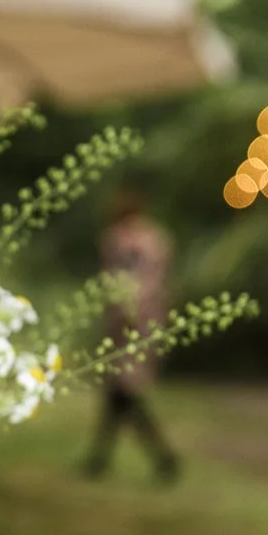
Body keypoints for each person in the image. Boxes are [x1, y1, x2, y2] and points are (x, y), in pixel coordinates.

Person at [83, 188, 180, 483]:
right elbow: (110, 278)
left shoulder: (154, 240)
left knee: (125, 390)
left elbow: (155, 280)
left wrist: (134, 305)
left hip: (142, 324)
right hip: (121, 325)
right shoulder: (116, 239)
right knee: (120, 393)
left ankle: (160, 458)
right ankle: (104, 460)